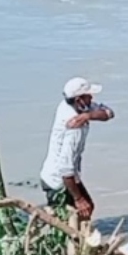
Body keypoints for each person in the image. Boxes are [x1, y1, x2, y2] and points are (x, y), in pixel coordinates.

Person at [38, 77, 115, 221]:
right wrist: (78, 199)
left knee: (87, 208)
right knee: (75, 214)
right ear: (79, 99)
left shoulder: (72, 106)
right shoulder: (74, 127)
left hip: (68, 174)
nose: (91, 98)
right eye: (88, 96)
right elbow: (65, 168)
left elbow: (109, 113)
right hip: (59, 180)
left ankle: (80, 237)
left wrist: (88, 115)